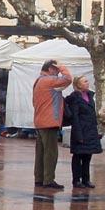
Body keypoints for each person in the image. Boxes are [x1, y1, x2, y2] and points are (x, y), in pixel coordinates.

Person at [32, 59, 72, 189]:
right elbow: (68, 79)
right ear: (50, 69)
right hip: (49, 121)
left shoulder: (38, 81)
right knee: (51, 153)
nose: (57, 73)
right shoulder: (49, 81)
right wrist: (62, 67)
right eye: (55, 69)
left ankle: (39, 178)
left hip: (40, 120)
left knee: (40, 152)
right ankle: (48, 180)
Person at [66, 75, 102, 188]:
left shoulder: (90, 96)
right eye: (85, 81)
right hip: (80, 129)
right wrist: (78, 134)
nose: (87, 83)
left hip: (90, 130)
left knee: (87, 156)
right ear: (78, 85)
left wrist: (97, 130)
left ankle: (86, 179)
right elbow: (75, 117)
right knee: (78, 156)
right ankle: (76, 180)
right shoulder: (75, 98)